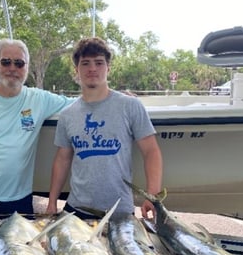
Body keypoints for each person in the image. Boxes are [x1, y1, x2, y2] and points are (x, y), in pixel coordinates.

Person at [0, 38, 74, 219]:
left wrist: (118, 98)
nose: (12, 68)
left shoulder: (39, 99)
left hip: (19, 199)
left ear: (27, 67)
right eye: (6, 62)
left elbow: (80, 103)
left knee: (22, 248)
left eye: (19, 63)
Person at [46, 37, 162, 219]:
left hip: (119, 211)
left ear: (108, 68)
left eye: (99, 63)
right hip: (76, 210)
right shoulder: (67, 114)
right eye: (85, 63)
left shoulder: (130, 106)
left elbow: (151, 152)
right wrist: (52, 202)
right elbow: (62, 160)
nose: (92, 69)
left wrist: (152, 195)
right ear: (77, 70)